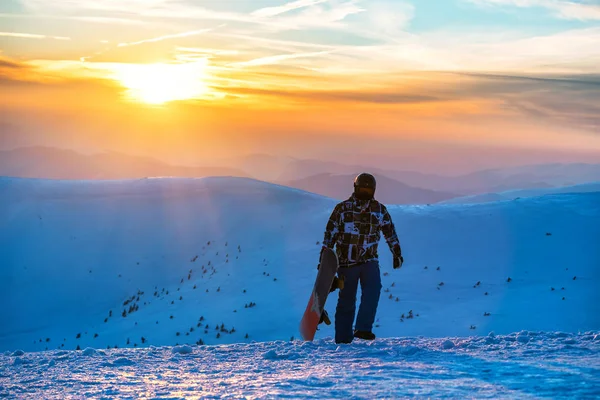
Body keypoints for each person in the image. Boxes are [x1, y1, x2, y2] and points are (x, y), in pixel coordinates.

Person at [320, 173, 404, 344]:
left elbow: (390, 232)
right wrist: (324, 260)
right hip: (346, 263)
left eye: (368, 189)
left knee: (373, 291)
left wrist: (397, 253)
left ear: (373, 190)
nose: (365, 192)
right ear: (355, 188)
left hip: (369, 261)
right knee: (347, 300)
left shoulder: (379, 210)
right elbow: (330, 234)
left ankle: (363, 328)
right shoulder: (342, 209)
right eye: (362, 189)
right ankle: (343, 338)